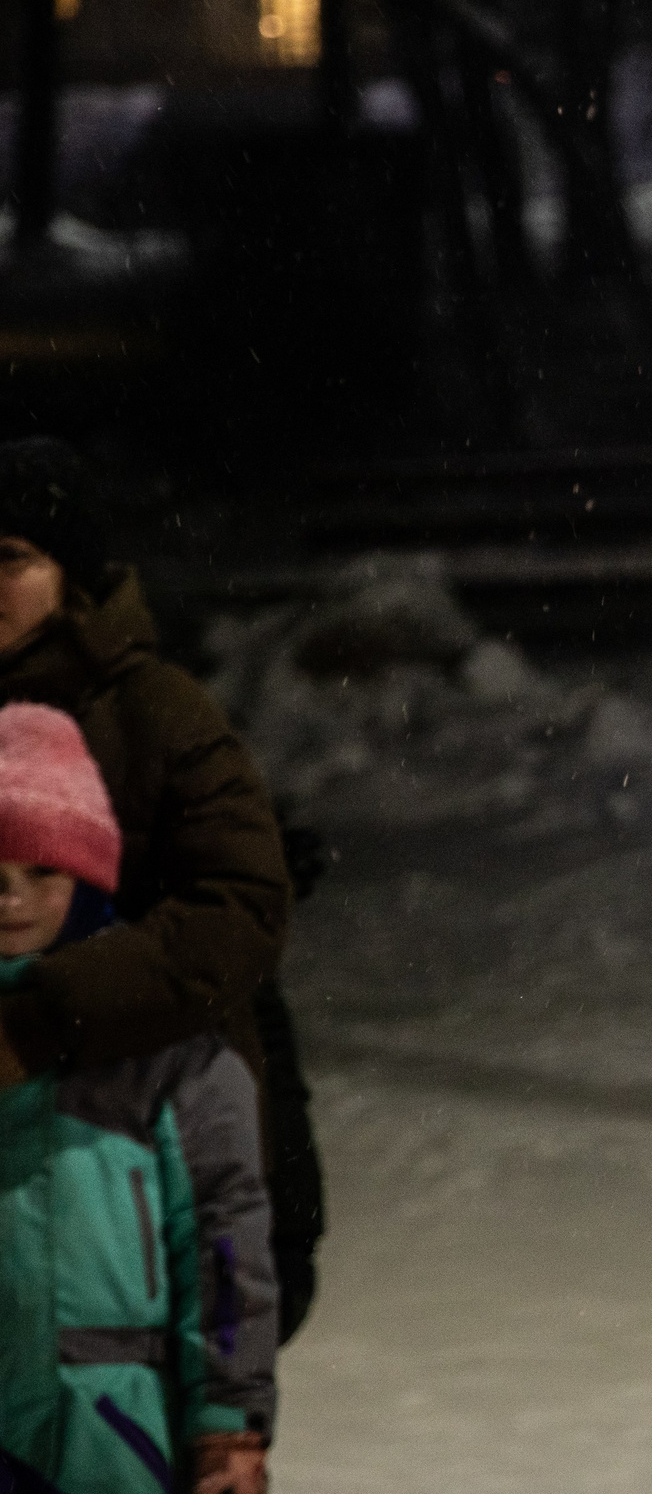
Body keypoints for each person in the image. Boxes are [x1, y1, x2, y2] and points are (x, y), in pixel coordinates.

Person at [0, 438, 325, 1338]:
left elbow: (236, 912)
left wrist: (45, 1016)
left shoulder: (156, 712)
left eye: (11, 559)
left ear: (74, 574)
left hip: (143, 1172)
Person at [0, 702, 277, 1494]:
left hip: (113, 1422)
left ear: (86, 876)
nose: (11, 899)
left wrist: (229, 1427)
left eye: (43, 871)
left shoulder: (164, 1052)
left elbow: (224, 1241)